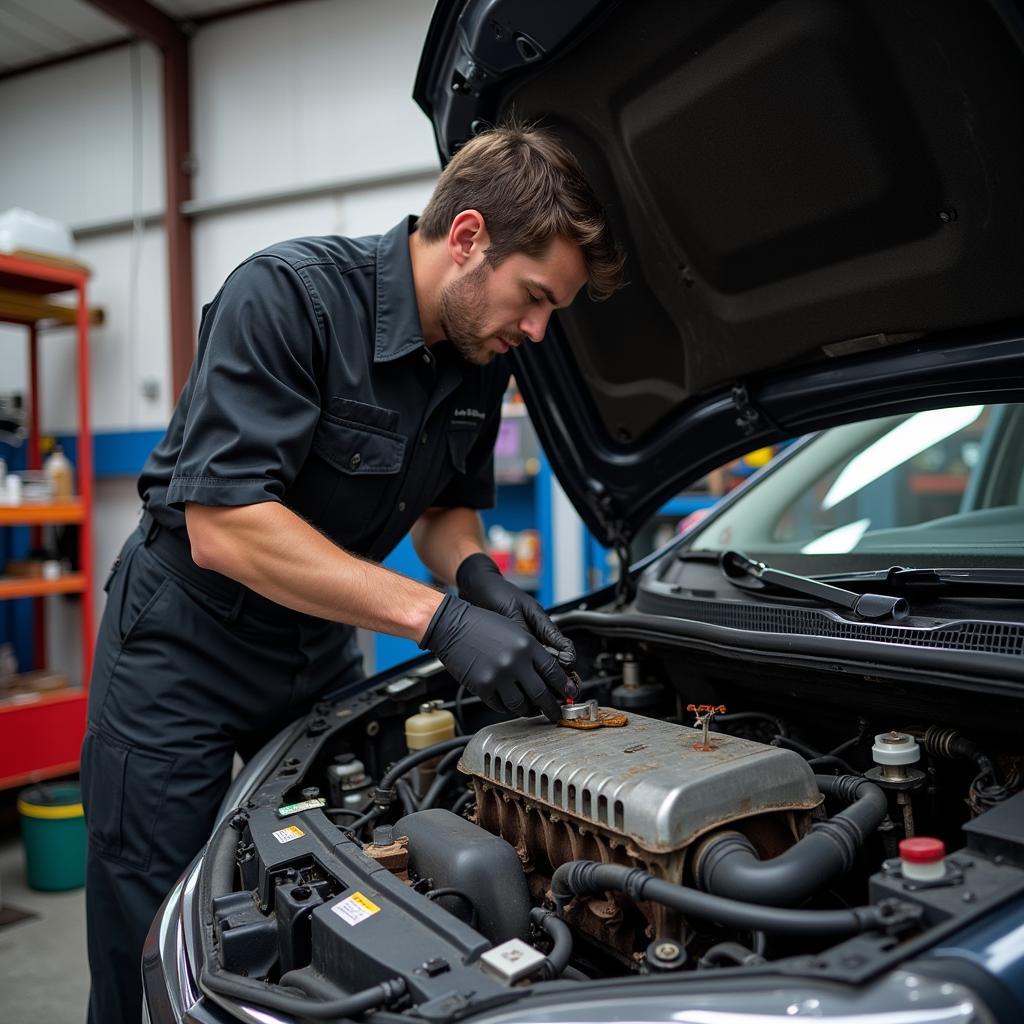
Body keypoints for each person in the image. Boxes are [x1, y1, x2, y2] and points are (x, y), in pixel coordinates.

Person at [79, 123, 624, 1023]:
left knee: (332, 883)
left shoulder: (478, 352)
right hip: (182, 641)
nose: (535, 330)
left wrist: (484, 582)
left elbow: (444, 509)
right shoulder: (289, 297)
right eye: (534, 298)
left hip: (316, 638)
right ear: (468, 238)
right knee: (153, 917)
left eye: (550, 314)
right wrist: (440, 622)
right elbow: (225, 526)